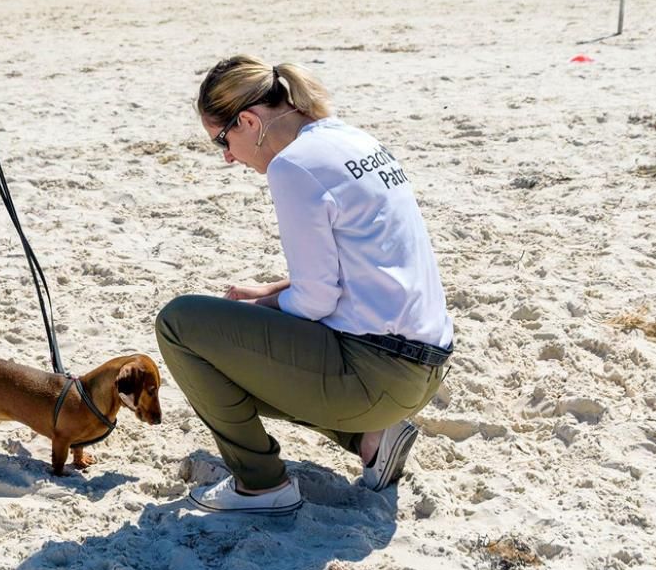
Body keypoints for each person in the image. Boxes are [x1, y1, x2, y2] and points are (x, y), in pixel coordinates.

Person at [156, 56, 453, 514]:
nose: (229, 157)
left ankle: (261, 485)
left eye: (223, 140)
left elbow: (316, 301)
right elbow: (365, 261)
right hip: (423, 365)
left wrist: (263, 312)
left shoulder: (292, 166)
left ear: (250, 121)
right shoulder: (350, 137)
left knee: (181, 326)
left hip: (376, 376)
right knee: (240, 335)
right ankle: (371, 438)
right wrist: (274, 293)